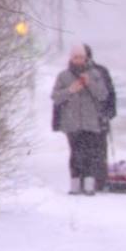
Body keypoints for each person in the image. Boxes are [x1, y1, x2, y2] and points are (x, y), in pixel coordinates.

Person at [51, 43, 112, 196]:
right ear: (71, 58)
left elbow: (103, 95)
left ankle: (89, 185)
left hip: (91, 122)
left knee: (90, 154)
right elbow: (55, 97)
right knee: (75, 153)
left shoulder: (95, 74)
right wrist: (70, 90)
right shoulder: (64, 76)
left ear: (86, 58)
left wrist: (89, 83)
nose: (79, 60)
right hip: (71, 123)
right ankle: (75, 185)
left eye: (81, 57)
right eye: (76, 57)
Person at [83, 44, 117, 191]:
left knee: (98, 151)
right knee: (85, 152)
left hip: (98, 118)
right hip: (84, 119)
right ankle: (88, 181)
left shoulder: (100, 72)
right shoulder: (71, 73)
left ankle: (98, 182)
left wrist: (109, 112)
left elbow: (110, 94)